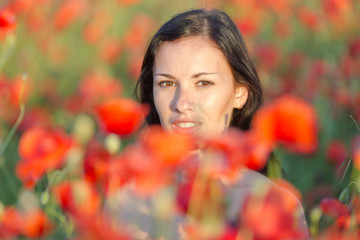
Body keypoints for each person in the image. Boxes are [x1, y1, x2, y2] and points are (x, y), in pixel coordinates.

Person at [112, 8, 310, 239]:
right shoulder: (124, 200)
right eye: (167, 84)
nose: (182, 103)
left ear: (240, 93)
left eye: (204, 83)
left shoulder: (277, 207)